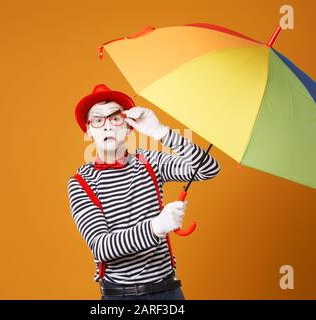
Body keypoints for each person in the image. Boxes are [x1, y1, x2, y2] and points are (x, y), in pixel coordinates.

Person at [67, 84, 220, 300]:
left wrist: (161, 132)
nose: (108, 127)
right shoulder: (81, 183)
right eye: (98, 120)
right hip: (120, 298)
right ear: (88, 129)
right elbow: (101, 247)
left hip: (168, 293)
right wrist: (155, 227)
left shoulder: (150, 162)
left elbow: (208, 169)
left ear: (129, 126)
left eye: (115, 118)